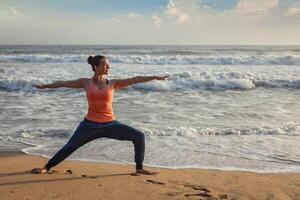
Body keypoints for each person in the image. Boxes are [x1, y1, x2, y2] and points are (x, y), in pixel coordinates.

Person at [31, 55, 169, 175]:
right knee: (70, 146)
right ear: (96, 66)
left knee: (139, 136)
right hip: (89, 125)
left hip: (111, 125)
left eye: (108, 65)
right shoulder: (85, 82)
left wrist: (155, 77)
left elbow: (135, 79)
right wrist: (46, 86)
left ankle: (139, 169)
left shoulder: (113, 83)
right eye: (105, 65)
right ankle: (47, 167)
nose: (108, 67)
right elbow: (63, 83)